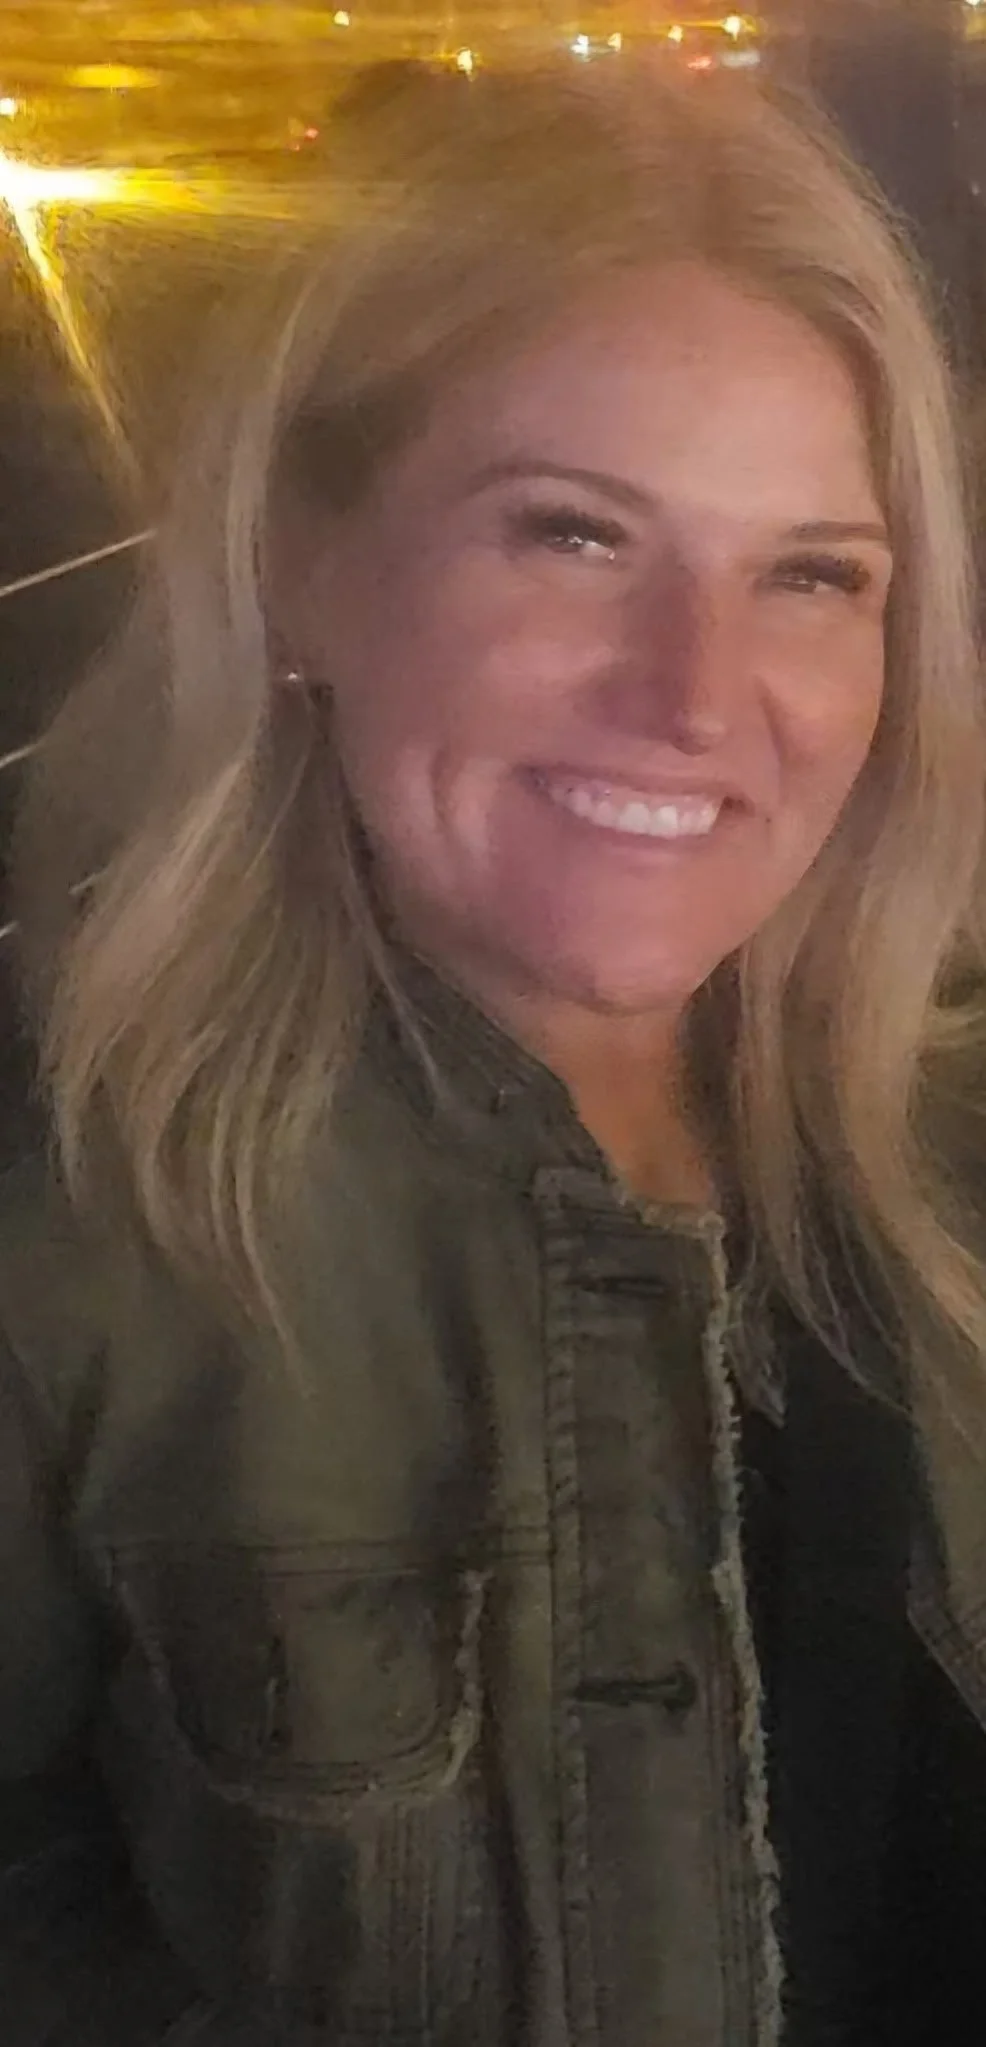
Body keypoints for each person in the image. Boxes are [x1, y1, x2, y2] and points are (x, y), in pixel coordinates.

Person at [3, 57, 986, 2047]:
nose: (697, 696)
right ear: (302, 561)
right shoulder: (67, 1243)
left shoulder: (936, 1142)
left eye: (810, 572)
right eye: (573, 536)